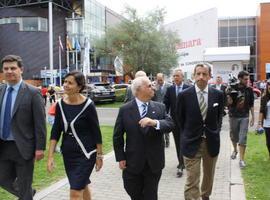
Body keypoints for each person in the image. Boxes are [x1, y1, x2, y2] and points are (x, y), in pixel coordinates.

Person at [113, 76, 174, 200]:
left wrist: (155, 122)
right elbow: (117, 136)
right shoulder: (125, 110)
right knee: (132, 191)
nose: (153, 88)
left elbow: (170, 124)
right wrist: (120, 157)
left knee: (151, 195)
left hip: (154, 163)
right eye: (149, 86)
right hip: (133, 162)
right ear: (138, 90)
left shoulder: (160, 107)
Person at [47, 71, 103, 200]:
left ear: (79, 87)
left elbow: (96, 132)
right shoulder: (60, 104)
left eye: (70, 83)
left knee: (75, 192)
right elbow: (56, 131)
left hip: (86, 153)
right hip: (68, 154)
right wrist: (50, 157)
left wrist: (99, 155)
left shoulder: (88, 105)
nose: (65, 85)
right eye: (65, 82)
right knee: (82, 185)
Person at [0, 55, 46, 200]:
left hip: (24, 147)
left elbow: (40, 123)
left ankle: (26, 194)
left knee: (24, 184)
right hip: (3, 146)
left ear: (21, 70)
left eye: (13, 68)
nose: (9, 71)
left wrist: (40, 148)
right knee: (2, 180)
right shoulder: (0, 90)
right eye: (6, 68)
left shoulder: (32, 92)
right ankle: (27, 194)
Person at [176, 64, 224, 200]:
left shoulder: (218, 95)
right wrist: (187, 134)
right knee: (192, 179)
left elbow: (219, 116)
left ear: (209, 76)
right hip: (191, 143)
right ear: (193, 76)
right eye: (198, 74)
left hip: (211, 142)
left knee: (209, 176)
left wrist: (215, 131)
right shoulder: (184, 95)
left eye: (204, 74)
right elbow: (180, 118)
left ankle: (205, 196)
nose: (201, 77)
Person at [163, 68, 189, 177]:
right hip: (175, 122)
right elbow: (166, 104)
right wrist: (166, 116)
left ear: (182, 77)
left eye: (177, 76)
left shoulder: (188, 88)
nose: (175, 78)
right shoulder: (170, 89)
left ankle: (185, 162)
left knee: (185, 142)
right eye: (174, 76)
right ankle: (181, 163)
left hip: (187, 122)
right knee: (178, 143)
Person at [227, 71, 254, 169]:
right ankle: (235, 150)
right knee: (234, 136)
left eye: (248, 79)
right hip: (233, 116)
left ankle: (242, 160)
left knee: (243, 138)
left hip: (244, 116)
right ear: (240, 78)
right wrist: (228, 97)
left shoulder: (249, 90)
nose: (247, 81)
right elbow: (228, 103)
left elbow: (251, 104)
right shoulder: (232, 87)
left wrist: (253, 117)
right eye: (245, 79)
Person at [155, 73, 171, 147]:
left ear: (163, 79)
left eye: (160, 80)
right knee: (158, 125)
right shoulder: (155, 86)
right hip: (157, 109)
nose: (159, 82)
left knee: (166, 125)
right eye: (158, 80)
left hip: (166, 109)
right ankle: (161, 142)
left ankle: (167, 142)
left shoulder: (169, 86)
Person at [258, 80, 270, 159]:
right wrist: (259, 123)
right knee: (268, 143)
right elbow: (261, 111)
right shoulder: (264, 98)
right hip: (267, 122)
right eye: (269, 85)